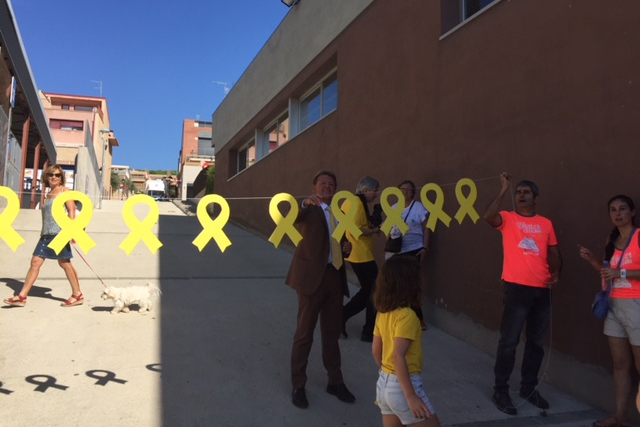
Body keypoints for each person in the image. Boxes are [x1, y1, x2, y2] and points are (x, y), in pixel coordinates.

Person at [483, 172, 561, 415]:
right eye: (519, 192)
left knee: (536, 343)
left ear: (535, 197)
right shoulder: (508, 218)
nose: (521, 195)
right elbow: (488, 216)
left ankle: (528, 387)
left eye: (526, 192)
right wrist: (504, 189)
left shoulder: (546, 223)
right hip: (516, 288)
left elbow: (554, 251)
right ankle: (501, 389)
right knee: (509, 342)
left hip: (542, 290)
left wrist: (556, 274)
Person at [286, 170, 355, 409]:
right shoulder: (308, 208)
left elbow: (339, 244)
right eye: (323, 183)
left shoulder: (340, 212)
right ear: (314, 187)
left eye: (331, 184)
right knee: (304, 334)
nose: (327, 186)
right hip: (310, 280)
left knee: (331, 334)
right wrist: (303, 201)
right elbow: (293, 214)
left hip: (335, 277)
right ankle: (298, 385)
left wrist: (346, 247)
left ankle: (335, 382)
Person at [579, 195, 640, 427]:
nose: (618, 213)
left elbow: (619, 273)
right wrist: (593, 261)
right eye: (613, 209)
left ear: (632, 212)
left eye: (623, 209)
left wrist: (621, 274)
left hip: (636, 305)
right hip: (613, 305)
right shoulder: (611, 240)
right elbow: (607, 273)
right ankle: (620, 416)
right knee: (620, 364)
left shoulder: (639, 236)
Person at [372, 256, 442, 427]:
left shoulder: (382, 313)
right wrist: (410, 395)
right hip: (402, 387)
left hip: (383, 385)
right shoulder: (408, 316)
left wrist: (386, 373)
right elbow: (398, 356)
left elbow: (376, 351)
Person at [4, 165, 84, 308]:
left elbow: (72, 209)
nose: (54, 177)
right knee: (35, 262)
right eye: (51, 174)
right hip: (46, 234)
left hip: (59, 234)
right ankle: (22, 297)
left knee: (64, 263)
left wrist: (71, 231)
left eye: (58, 175)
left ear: (61, 178)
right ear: (46, 177)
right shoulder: (48, 194)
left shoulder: (65, 191)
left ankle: (77, 294)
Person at [386, 180, 431, 330]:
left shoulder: (418, 207)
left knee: (411, 285)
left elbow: (427, 227)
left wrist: (425, 247)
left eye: (408, 189)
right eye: (402, 189)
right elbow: (389, 230)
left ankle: (419, 319)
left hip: (414, 249)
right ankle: (402, 318)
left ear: (413, 193)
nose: (405, 191)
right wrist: (388, 250)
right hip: (398, 250)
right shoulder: (393, 208)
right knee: (398, 285)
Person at [342, 176, 381, 342]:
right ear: (365, 190)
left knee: (368, 291)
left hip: (358, 253)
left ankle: (344, 318)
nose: (377, 194)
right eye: (375, 190)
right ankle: (367, 330)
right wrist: (373, 231)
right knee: (374, 291)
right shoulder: (357, 202)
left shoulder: (354, 201)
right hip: (361, 253)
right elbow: (356, 229)